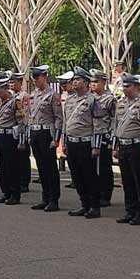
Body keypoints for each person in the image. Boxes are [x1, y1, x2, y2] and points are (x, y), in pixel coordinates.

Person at [113, 73, 140, 226]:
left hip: (138, 146)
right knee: (127, 180)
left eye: (128, 86)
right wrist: (115, 146)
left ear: (137, 87)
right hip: (124, 145)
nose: (125, 89)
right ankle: (130, 210)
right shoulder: (120, 103)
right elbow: (116, 126)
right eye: (124, 86)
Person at [62, 66, 107, 219]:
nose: (74, 82)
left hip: (86, 142)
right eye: (74, 80)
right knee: (76, 175)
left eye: (78, 80)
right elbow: (65, 123)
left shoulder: (92, 100)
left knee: (89, 175)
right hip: (72, 141)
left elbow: (98, 124)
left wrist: (96, 146)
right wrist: (65, 143)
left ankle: (94, 206)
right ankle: (84, 204)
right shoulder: (70, 100)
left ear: (86, 83)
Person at [28, 65, 63, 212]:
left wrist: (56, 139)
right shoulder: (33, 95)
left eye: (37, 78)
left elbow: (58, 118)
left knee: (50, 168)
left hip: (47, 134)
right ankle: (45, 197)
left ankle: (53, 200)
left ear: (44, 77)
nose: (35, 81)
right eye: (34, 78)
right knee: (41, 167)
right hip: (36, 133)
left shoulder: (53, 95)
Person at [0, 77, 27, 205]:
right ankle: (5, 192)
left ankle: (14, 194)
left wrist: (21, 141)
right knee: (1, 166)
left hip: (10, 136)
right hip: (0, 135)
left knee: (11, 166)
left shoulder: (15, 102)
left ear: (5, 88)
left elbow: (21, 122)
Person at [90, 69, 117, 207]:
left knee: (104, 168)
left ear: (103, 83)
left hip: (104, 136)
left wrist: (112, 140)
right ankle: (95, 193)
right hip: (91, 135)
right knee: (92, 168)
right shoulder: (89, 98)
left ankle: (105, 195)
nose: (93, 85)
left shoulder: (110, 99)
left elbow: (114, 120)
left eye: (96, 82)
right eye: (92, 82)